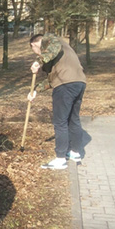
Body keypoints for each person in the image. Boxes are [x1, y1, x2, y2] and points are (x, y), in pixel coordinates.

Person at [27, 33, 87, 169]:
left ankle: (60, 159)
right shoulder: (61, 53)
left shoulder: (51, 40)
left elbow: (53, 48)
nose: (37, 53)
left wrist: (38, 61)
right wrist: (35, 91)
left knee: (60, 122)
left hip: (65, 85)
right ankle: (75, 152)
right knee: (73, 119)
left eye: (34, 50)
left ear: (34, 45)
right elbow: (50, 79)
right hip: (79, 82)